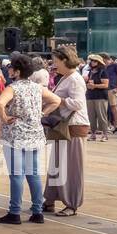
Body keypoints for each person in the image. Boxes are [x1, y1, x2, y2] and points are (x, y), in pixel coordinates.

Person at [0, 54, 63, 224]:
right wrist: (41, 113)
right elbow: (56, 100)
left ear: (17, 71)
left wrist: (4, 117)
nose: (9, 70)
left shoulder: (13, 87)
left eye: (11, 68)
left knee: (16, 175)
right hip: (35, 134)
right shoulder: (37, 87)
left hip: (15, 135)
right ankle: (37, 211)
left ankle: (14, 212)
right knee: (33, 174)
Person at [43, 45, 88, 217]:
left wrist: (56, 99)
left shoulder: (74, 79)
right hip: (64, 126)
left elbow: (77, 104)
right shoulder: (67, 77)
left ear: (64, 60)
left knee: (71, 167)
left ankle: (71, 203)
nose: (54, 65)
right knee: (57, 164)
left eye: (56, 61)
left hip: (74, 126)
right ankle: (50, 200)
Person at [84, 54, 110, 140]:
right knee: (91, 116)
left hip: (100, 97)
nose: (92, 62)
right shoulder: (90, 72)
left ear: (98, 62)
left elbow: (106, 85)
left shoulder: (103, 72)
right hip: (90, 96)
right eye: (91, 60)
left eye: (94, 61)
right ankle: (93, 134)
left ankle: (105, 134)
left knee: (101, 116)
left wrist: (94, 86)